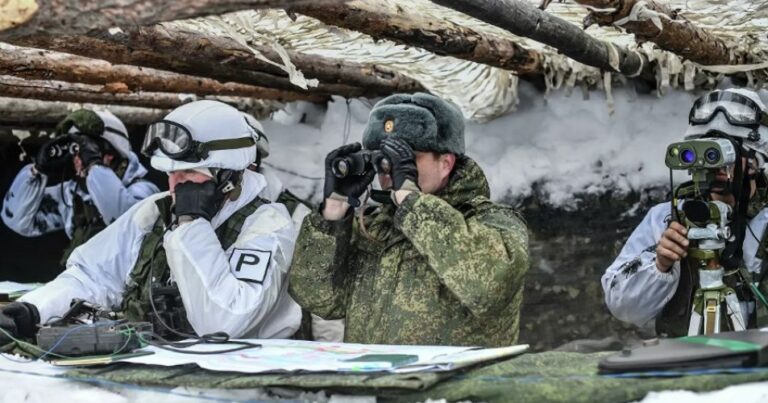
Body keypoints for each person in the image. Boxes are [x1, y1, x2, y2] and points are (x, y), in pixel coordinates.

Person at [0, 100, 301, 345]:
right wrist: (33, 310)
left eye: (188, 174)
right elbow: (94, 276)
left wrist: (191, 224)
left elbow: (223, 323)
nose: (175, 185)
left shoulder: (268, 226)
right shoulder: (154, 212)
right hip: (153, 373)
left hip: (239, 389)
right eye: (171, 174)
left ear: (228, 174)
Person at [289, 93, 529, 347]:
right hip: (375, 382)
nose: (391, 171)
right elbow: (318, 298)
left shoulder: (494, 222)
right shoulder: (375, 228)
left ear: (446, 163)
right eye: (384, 160)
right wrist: (334, 211)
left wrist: (412, 200)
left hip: (455, 385)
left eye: (405, 159)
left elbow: (488, 288)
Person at [602, 88, 768, 336]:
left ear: (757, 160)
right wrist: (660, 265)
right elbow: (623, 308)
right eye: (708, 153)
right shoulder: (668, 218)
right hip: (687, 363)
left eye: (727, 151)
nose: (717, 165)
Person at [2, 109, 159, 264]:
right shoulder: (74, 194)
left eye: (84, 151)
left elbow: (123, 221)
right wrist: (38, 170)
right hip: (85, 285)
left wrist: (94, 166)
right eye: (75, 152)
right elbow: (18, 221)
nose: (77, 159)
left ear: (110, 154)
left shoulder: (144, 192)